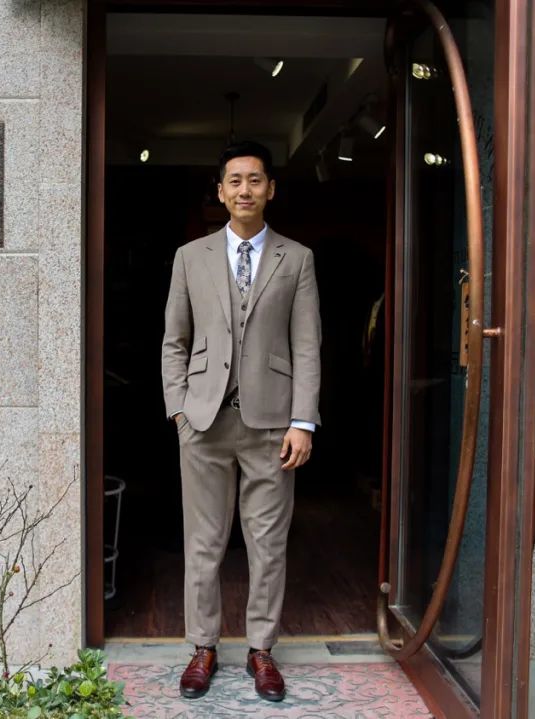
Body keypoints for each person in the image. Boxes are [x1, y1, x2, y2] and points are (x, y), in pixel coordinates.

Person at [161, 140, 322, 702]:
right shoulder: (191, 257)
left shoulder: (296, 259)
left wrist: (303, 422)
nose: (245, 190)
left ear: (270, 189)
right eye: (235, 181)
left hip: (272, 425)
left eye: (255, 180)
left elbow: (307, 346)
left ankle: (261, 650)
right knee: (203, 542)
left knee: (267, 543)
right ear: (221, 191)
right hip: (203, 422)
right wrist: (179, 409)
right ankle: (203, 646)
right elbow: (174, 341)